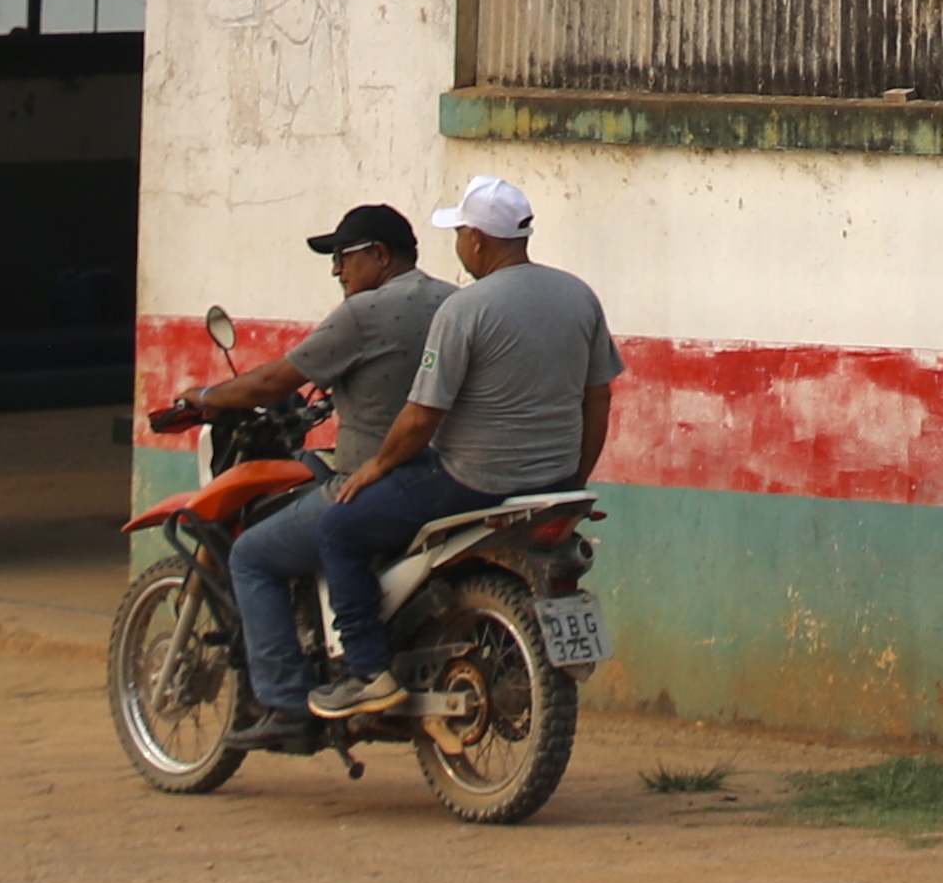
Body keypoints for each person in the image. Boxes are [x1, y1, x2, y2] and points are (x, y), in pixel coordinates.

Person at [300, 173, 624, 731]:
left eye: (459, 233)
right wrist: (573, 477)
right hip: (550, 483)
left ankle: (367, 672)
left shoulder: (465, 310)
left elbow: (422, 416)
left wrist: (377, 465)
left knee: (339, 528)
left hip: (470, 479)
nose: (458, 245)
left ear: (477, 239)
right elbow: (598, 399)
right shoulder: (578, 296)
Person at [194, 205, 447, 739]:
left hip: (373, 479)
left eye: (343, 257)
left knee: (251, 555)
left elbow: (273, 384)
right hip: (444, 475)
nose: (337, 271)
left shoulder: (363, 313)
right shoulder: (455, 301)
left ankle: (284, 704)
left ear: (379, 255)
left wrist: (205, 397)